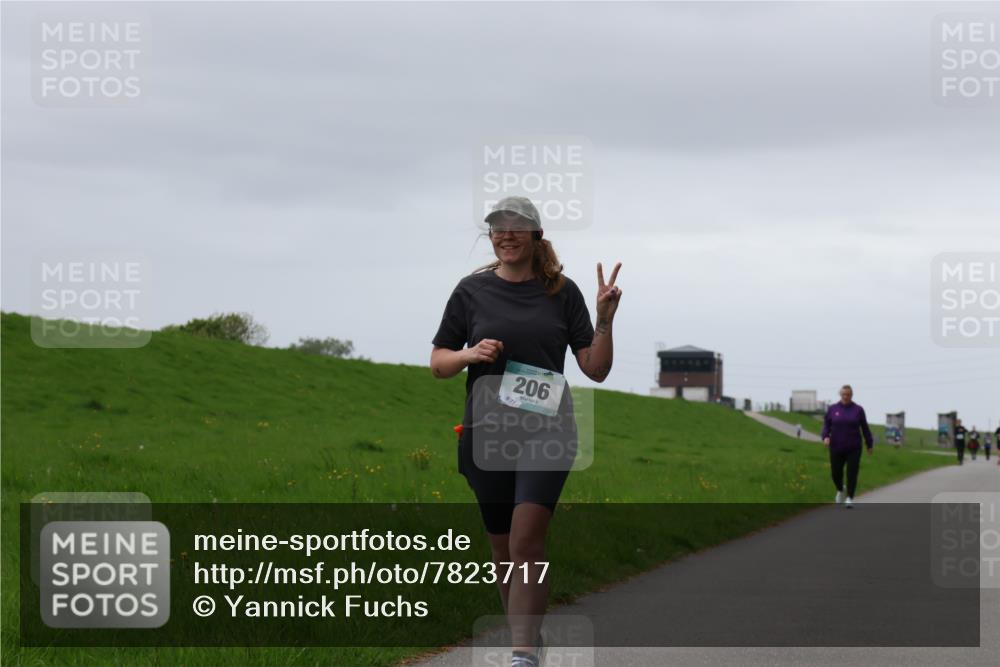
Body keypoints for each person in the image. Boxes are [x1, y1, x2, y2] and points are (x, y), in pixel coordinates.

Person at [430, 195, 622, 667]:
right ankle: (527, 638)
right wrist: (469, 355)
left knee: (526, 541)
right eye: (498, 227)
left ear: (537, 236)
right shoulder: (470, 292)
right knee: (502, 550)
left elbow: (595, 369)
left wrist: (604, 320)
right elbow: (439, 362)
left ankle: (520, 657)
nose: (506, 234)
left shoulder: (562, 292)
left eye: (517, 227)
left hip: (547, 429)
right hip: (486, 431)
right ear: (491, 236)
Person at [821, 385, 874, 509]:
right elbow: (826, 426)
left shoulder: (858, 410)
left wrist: (869, 444)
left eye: (848, 394)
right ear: (840, 394)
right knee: (835, 473)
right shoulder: (833, 409)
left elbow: (865, 428)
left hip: (854, 447)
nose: (846, 397)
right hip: (836, 446)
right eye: (843, 394)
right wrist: (825, 437)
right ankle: (840, 489)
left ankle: (850, 497)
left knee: (852, 473)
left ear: (851, 395)